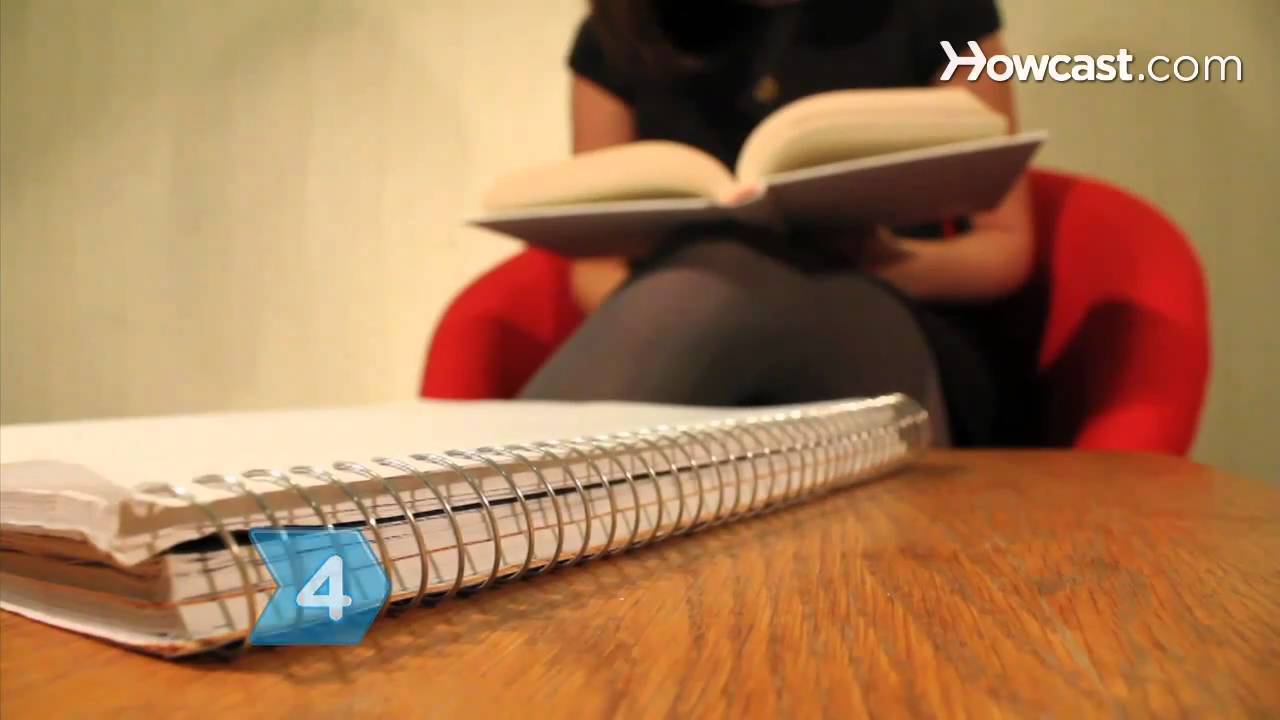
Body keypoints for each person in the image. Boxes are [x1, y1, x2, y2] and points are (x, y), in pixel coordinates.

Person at [519, 0, 1036, 447]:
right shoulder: (626, 25)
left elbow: (1005, 245)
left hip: (897, 329)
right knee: (718, 275)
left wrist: (889, 264)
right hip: (697, 349)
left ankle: (499, 491)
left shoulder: (935, 9)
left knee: (722, 274)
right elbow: (595, 267)